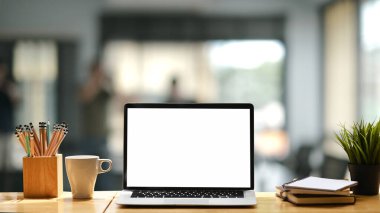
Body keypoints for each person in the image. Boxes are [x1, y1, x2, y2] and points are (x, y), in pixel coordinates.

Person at [79, 61, 112, 159]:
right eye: (98, 72)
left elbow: (115, 96)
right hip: (89, 136)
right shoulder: (86, 86)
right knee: (86, 167)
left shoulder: (104, 89)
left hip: (102, 135)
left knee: (104, 169)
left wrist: (108, 81)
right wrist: (95, 82)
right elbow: (85, 97)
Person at [0, 61, 19, 171]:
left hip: (6, 127)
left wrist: (11, 91)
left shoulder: (8, 87)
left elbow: (16, 101)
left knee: (7, 163)